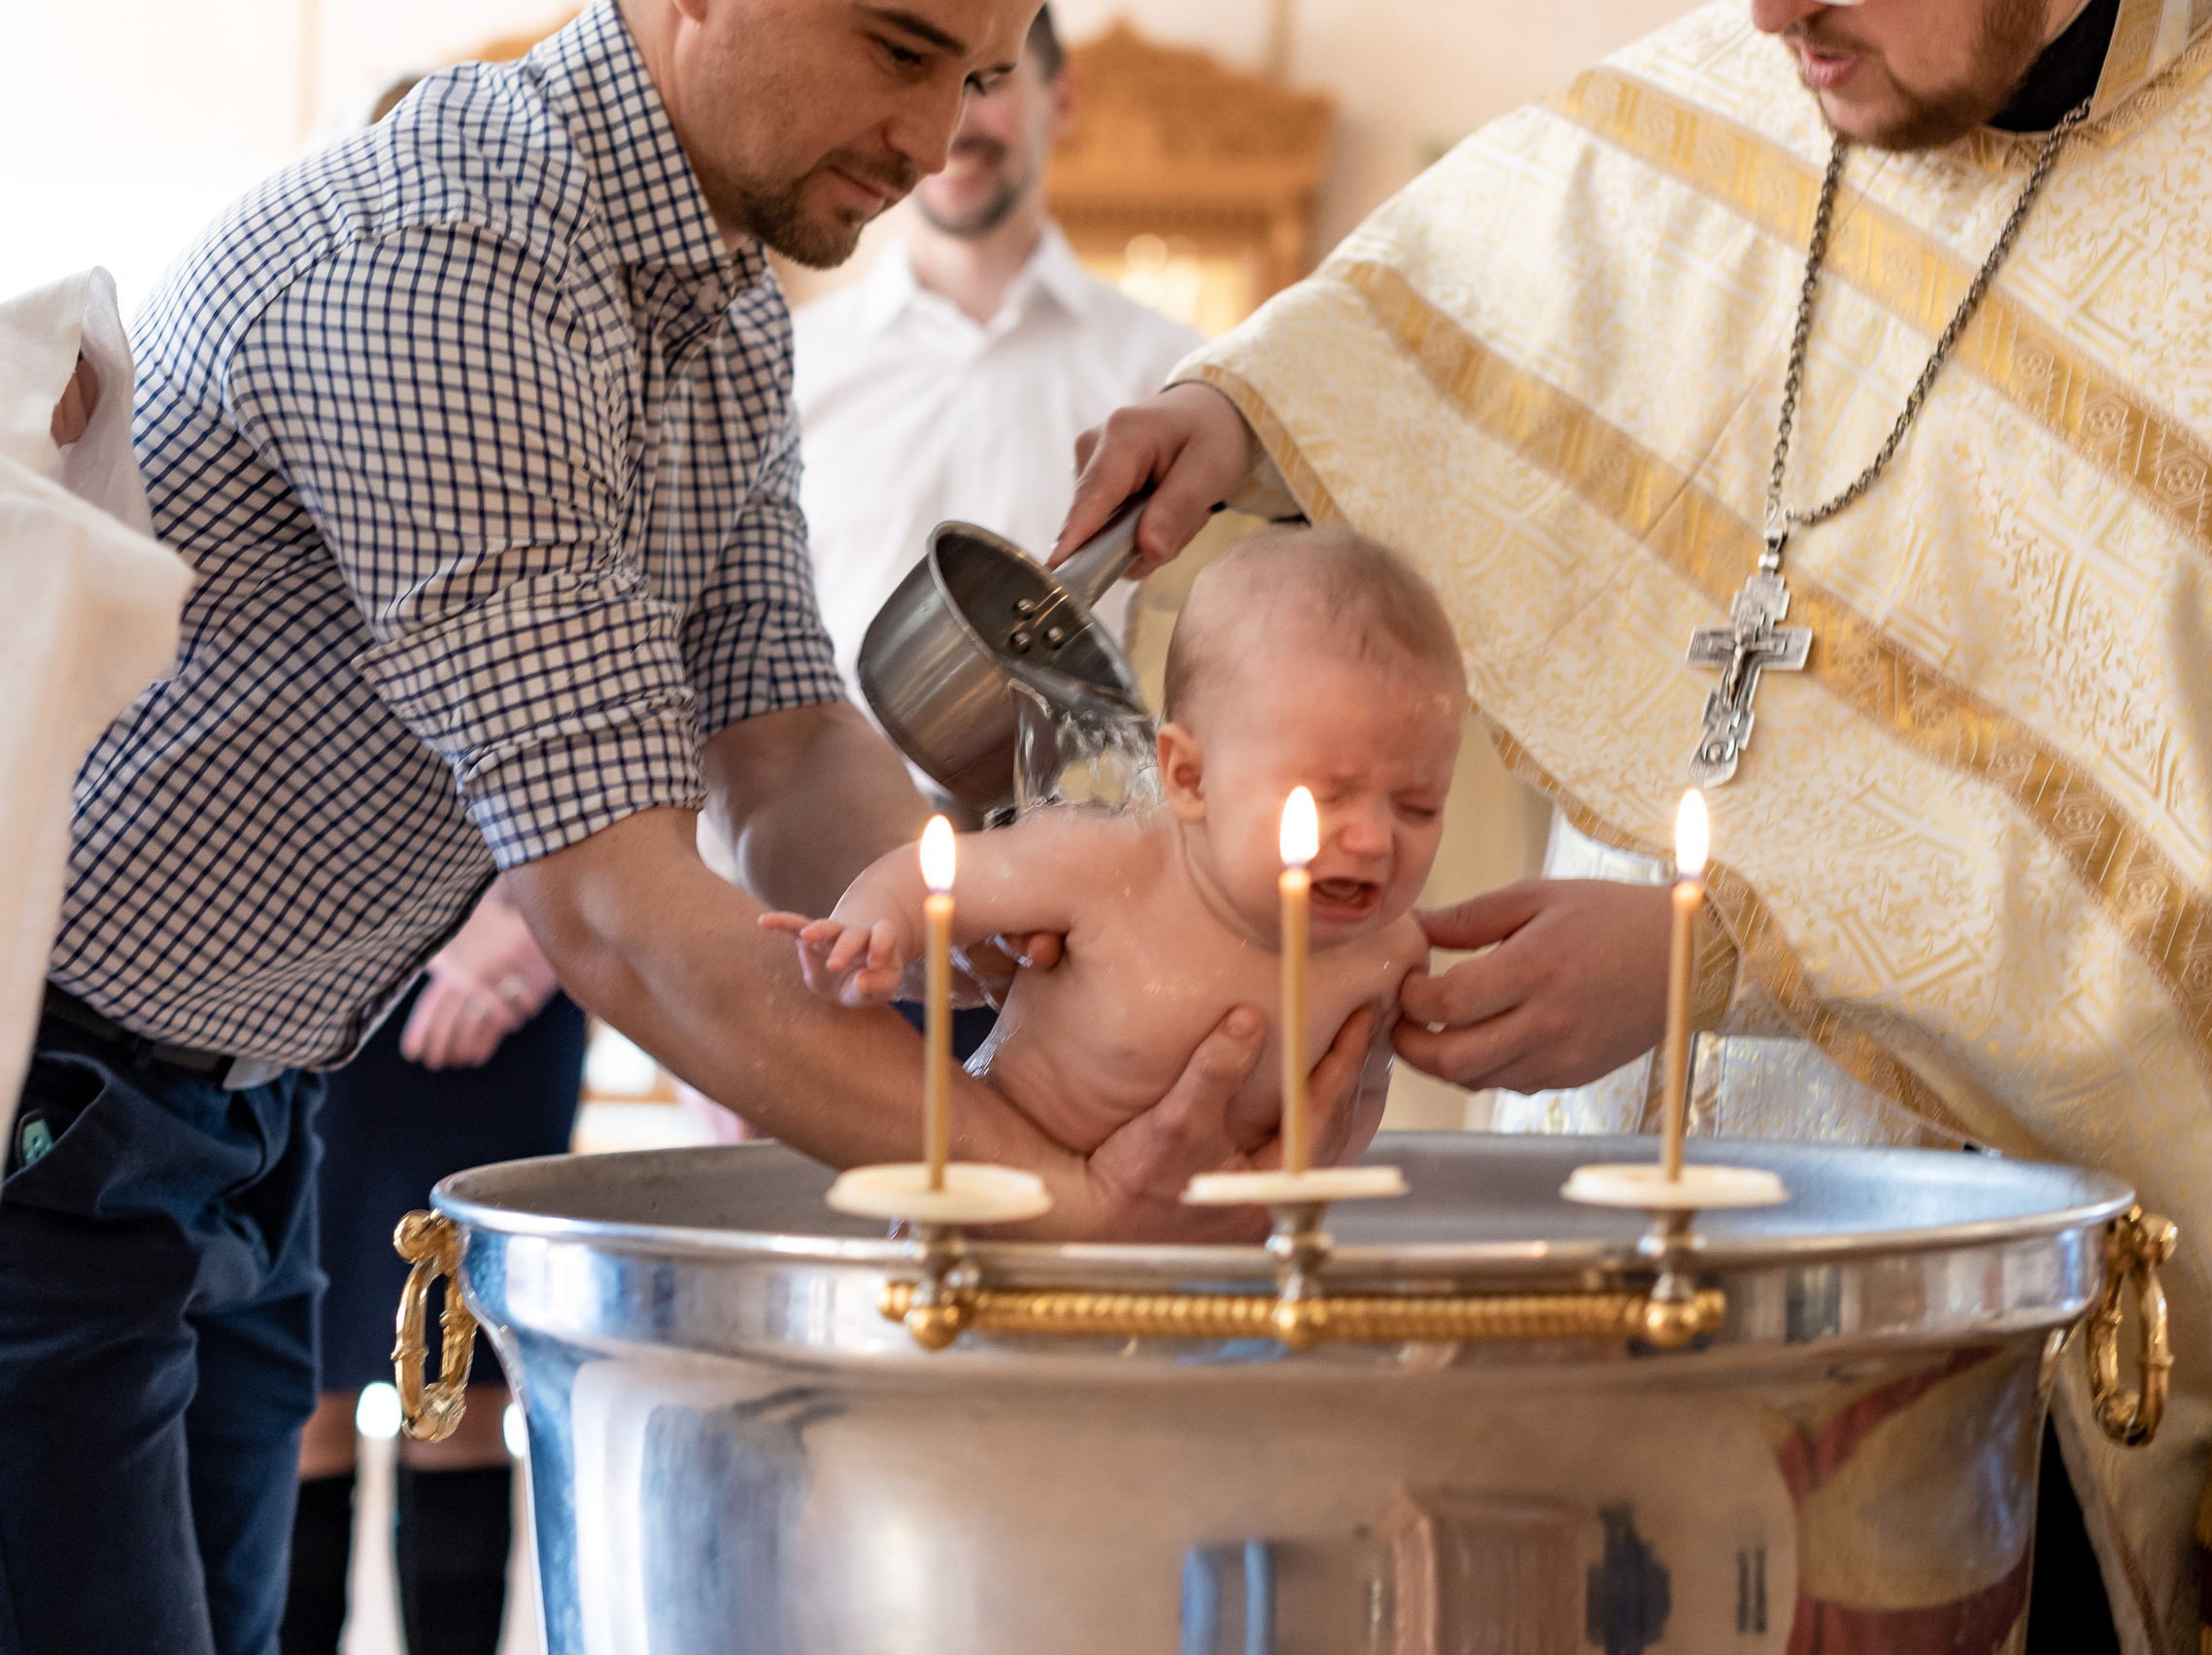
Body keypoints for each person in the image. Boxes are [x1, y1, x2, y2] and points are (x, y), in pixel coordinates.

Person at [1052, 0, 2212, 1645]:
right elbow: (1527, 240)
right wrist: (1243, 408)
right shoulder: (1827, 54)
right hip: (1607, 1263)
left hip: (2011, 1361)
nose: (1770, 13)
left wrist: (1724, 941)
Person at [0, 2, 1376, 1651]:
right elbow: (619, 908)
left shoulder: (713, 301)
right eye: (895, 48)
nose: (935, 137)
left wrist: (1059, 953)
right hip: (49, 1114)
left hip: (237, 1109)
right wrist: (1070, 1205)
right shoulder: (452, 263)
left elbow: (786, 749)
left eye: (978, 77)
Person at [768, 526, 1457, 1154]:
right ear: (1188, 778)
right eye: (1325, 797)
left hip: (1215, 1260)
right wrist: (873, 925)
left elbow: (1347, 1114)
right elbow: (931, 877)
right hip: (1004, 1226)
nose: (1372, 840)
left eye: (1419, 807)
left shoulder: (1390, 959)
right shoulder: (1106, 864)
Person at [790, 3, 1201, 699]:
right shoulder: (787, 365)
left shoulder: (1173, 377)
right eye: (915, 71)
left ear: (1063, 97)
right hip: (827, 802)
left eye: (986, 80)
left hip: (1092, 803)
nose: (951, 122)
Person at [282, 884, 583, 1655]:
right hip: (322, 958)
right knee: (299, 1379)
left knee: (462, 1376)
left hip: (523, 942)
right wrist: (426, 917)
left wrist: (533, 943)